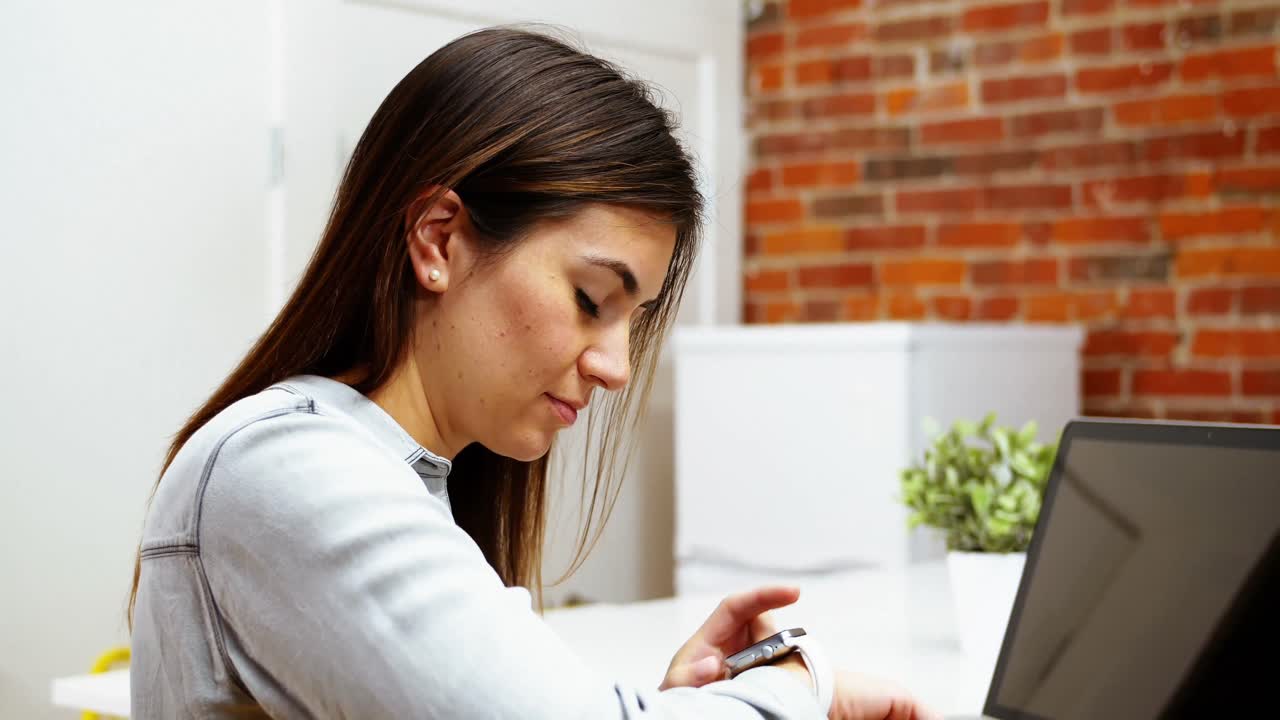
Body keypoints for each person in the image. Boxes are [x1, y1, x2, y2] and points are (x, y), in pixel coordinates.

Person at [128, 27, 937, 720]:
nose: (617, 367)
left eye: (634, 320)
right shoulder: (284, 471)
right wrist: (801, 687)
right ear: (439, 240)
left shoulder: (396, 477)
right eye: (590, 299)